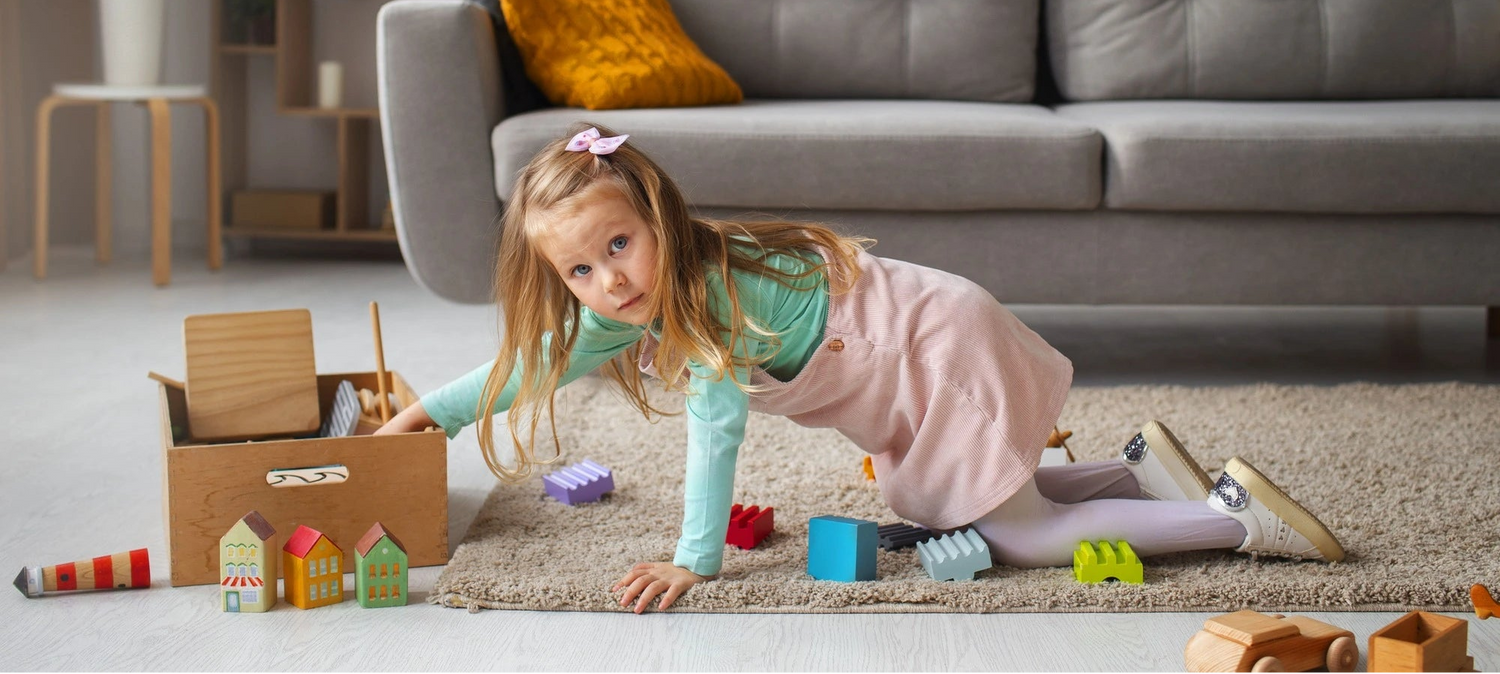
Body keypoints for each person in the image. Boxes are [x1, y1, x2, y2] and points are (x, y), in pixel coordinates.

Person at [376, 123, 1345, 613]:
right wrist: (427, 414)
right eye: (580, 269)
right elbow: (530, 365)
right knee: (962, 506)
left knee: (1017, 536)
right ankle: (1139, 472)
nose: (608, 280)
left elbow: (715, 435)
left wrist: (693, 558)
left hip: (932, 348)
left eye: (619, 245)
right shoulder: (634, 298)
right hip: (925, 332)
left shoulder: (705, 302)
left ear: (657, 217)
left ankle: (1233, 518)